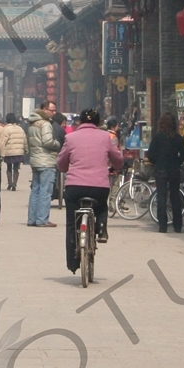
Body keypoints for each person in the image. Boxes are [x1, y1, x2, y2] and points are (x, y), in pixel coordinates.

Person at [56, 109, 124, 274]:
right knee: (101, 206)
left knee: (72, 223)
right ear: (99, 121)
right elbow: (118, 159)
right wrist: (115, 168)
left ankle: (73, 261)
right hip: (99, 186)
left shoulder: (70, 138)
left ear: (79, 121)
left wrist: (66, 168)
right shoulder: (105, 137)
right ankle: (101, 229)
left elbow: (61, 162)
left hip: (74, 187)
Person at [146, 112, 184, 233]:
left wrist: (156, 162)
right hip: (174, 170)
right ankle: (177, 225)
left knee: (161, 197)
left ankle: (163, 226)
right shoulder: (178, 138)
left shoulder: (157, 137)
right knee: (175, 197)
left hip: (160, 169)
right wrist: (176, 162)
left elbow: (150, 154)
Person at [26, 101, 62, 226]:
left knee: (35, 190)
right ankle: (42, 219)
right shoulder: (45, 124)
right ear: (44, 110)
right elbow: (47, 142)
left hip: (35, 160)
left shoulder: (32, 124)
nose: (54, 113)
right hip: (46, 160)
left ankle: (32, 219)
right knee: (45, 191)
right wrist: (57, 144)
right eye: (52, 110)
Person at [1, 113, 27, 189]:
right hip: (18, 152)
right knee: (16, 168)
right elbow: (24, 140)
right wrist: (26, 149)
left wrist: (1, 150)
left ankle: (10, 183)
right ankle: (14, 184)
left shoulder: (6, 129)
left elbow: (4, 141)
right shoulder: (20, 129)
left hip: (9, 152)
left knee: (9, 168)